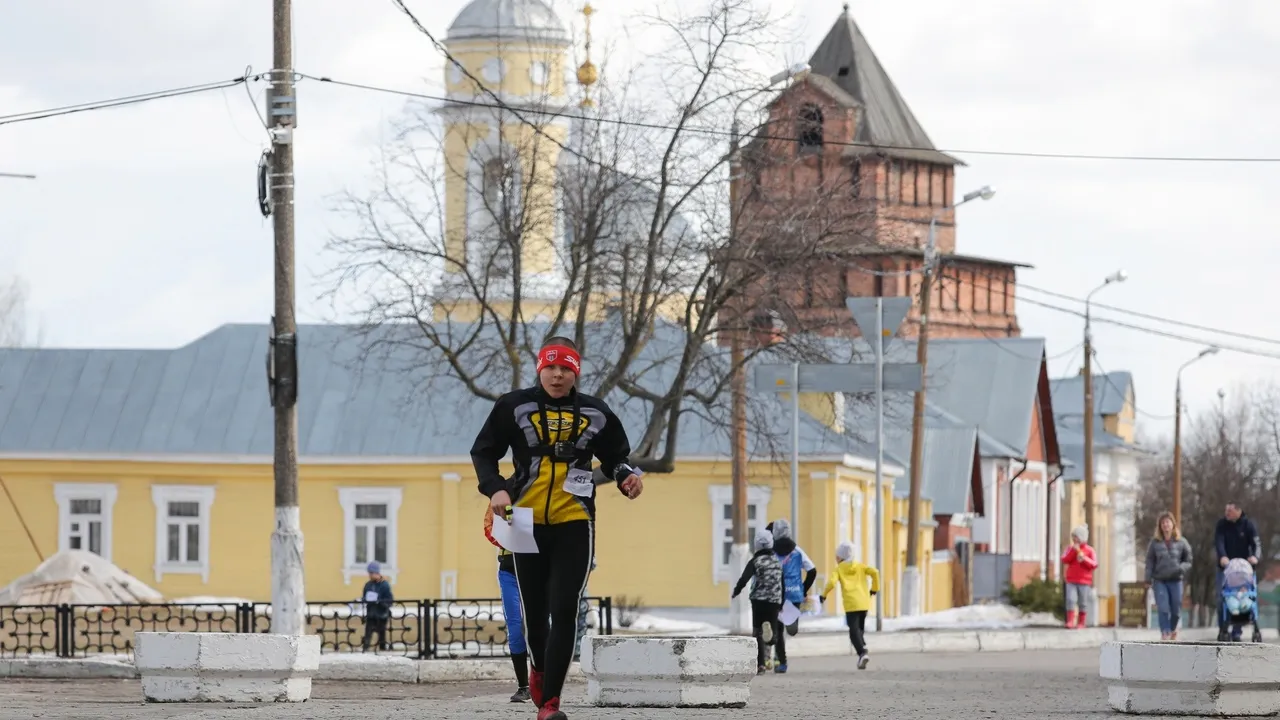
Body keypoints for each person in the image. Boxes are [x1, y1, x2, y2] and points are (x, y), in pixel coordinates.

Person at [472, 336, 643, 720]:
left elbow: (617, 457)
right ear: (540, 367)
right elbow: (483, 452)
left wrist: (627, 476)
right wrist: (496, 489)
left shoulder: (596, 413)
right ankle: (539, 669)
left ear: (575, 372)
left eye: (565, 368)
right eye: (551, 366)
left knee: (565, 607)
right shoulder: (513, 406)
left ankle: (550, 704)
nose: (557, 374)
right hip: (523, 520)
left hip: (574, 521)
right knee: (535, 612)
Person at [485, 507, 531, 703]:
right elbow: (488, 527)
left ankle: (543, 683)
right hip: (508, 570)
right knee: (514, 627)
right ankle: (524, 687)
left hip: (534, 568)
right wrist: (508, 537)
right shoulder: (501, 495)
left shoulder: (538, 489)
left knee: (538, 624)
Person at [764, 519, 815, 674]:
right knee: (790, 629)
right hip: (794, 595)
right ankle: (781, 660)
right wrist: (803, 589)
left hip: (776, 594)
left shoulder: (770, 552)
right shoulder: (798, 551)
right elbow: (812, 570)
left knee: (778, 630)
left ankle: (782, 662)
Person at [819, 540, 879, 669]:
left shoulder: (839, 569)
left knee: (853, 632)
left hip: (851, 604)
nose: (835, 558)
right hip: (864, 602)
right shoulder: (860, 566)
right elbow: (875, 572)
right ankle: (862, 646)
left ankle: (862, 653)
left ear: (841, 557)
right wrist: (874, 588)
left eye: (837, 556)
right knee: (859, 629)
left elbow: (831, 583)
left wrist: (823, 595)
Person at [731, 532, 784, 674]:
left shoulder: (755, 561)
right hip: (774, 600)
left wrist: (736, 591)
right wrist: (782, 601)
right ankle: (772, 637)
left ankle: (760, 665)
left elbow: (745, 578)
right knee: (773, 628)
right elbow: (782, 582)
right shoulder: (777, 562)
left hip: (758, 600)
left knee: (757, 632)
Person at [1214, 502, 1261, 640]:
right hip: (1225, 568)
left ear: (1238, 510)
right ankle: (1223, 627)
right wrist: (1222, 556)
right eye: (1226, 510)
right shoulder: (1221, 525)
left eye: (1230, 510)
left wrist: (1255, 557)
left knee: (1242, 598)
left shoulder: (1248, 525)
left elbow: (1256, 543)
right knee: (1222, 598)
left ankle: (1237, 631)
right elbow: (1219, 541)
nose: (1226, 513)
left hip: (1244, 569)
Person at [1145, 511, 1192, 641]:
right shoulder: (1155, 543)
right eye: (1163, 523)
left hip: (1176, 580)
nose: (1165, 525)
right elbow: (1149, 562)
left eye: (1168, 522)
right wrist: (1147, 578)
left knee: (1176, 608)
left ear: (1173, 524)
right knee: (1163, 607)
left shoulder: (1181, 542)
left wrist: (1181, 568)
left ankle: (1173, 629)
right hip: (1160, 580)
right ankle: (1165, 632)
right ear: (1160, 526)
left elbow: (1188, 560)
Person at [1060, 526, 1097, 629]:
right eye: (1073, 537)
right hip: (1071, 579)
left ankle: (1081, 622)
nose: (1074, 539)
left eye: (1076, 537)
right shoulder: (1070, 548)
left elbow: (1094, 564)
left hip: (1084, 581)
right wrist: (1074, 551)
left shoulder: (1090, 550)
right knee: (1070, 600)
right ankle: (1070, 621)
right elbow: (1064, 559)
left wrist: (1083, 558)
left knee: (1083, 602)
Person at [360, 562, 393, 652]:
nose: (370, 575)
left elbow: (389, 600)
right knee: (368, 635)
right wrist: (363, 600)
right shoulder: (368, 585)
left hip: (381, 614)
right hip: (371, 614)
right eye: (369, 573)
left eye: (371, 573)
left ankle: (383, 651)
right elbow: (364, 596)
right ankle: (365, 650)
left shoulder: (385, 585)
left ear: (377, 573)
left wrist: (379, 601)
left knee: (382, 636)